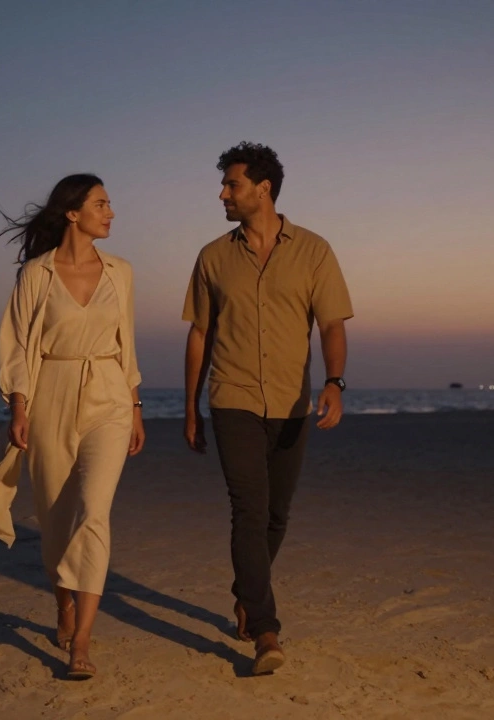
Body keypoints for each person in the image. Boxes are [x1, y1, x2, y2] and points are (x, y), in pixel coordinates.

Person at [0, 173, 145, 681]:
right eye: (101, 204)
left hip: (108, 395)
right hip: (50, 393)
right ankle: (63, 603)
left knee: (93, 512)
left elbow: (127, 342)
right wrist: (19, 407)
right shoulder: (36, 273)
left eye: (109, 203)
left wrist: (135, 404)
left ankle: (81, 641)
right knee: (56, 519)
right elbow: (16, 344)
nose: (111, 212)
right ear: (73, 213)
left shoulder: (120, 272)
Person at [181, 142, 353, 675]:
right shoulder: (212, 257)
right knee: (249, 511)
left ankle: (246, 592)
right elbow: (200, 333)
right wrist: (190, 407)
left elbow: (331, 323)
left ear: (263, 189)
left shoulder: (314, 251)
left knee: (276, 515)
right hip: (231, 397)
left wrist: (334, 382)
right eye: (223, 185)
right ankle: (266, 631)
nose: (222, 194)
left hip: (291, 401)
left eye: (231, 185)